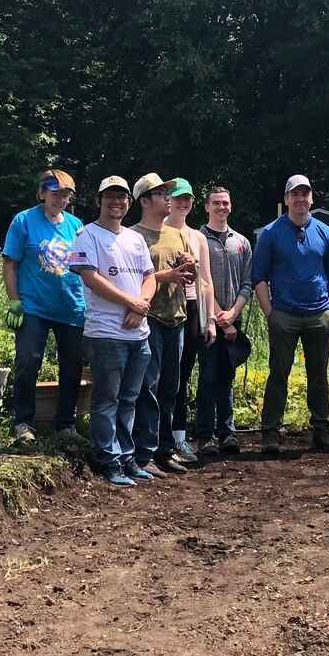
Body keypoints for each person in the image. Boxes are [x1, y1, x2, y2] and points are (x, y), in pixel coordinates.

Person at [69, 177, 156, 485]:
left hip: (138, 334)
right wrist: (130, 302)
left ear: (129, 203)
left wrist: (140, 304)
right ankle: (109, 459)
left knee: (129, 399)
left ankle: (127, 457)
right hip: (105, 333)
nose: (116, 202)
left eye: (121, 197)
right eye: (110, 197)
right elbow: (90, 278)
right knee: (107, 399)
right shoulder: (86, 235)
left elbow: (150, 276)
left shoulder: (135, 239)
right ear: (99, 200)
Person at [251, 174, 329, 454]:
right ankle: (270, 433)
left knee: (319, 374)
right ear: (286, 199)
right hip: (284, 315)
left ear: (311, 199)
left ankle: (322, 430)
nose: (300, 199)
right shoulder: (271, 233)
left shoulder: (324, 232)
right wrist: (270, 313)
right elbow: (258, 277)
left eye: (305, 194)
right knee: (278, 373)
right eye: (295, 194)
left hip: (319, 314)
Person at [0, 169, 86, 442]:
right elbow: (10, 263)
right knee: (28, 361)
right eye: (56, 193)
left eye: (66, 195)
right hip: (34, 306)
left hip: (71, 307)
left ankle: (66, 425)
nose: (61, 199)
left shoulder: (76, 225)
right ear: (42, 193)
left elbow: (83, 267)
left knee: (71, 367)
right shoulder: (24, 221)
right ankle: (23, 423)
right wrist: (14, 302)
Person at [130, 173, 200, 477]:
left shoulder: (177, 234)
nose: (168, 198)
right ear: (145, 201)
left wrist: (190, 268)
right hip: (151, 320)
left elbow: (189, 277)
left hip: (177, 318)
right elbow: (131, 280)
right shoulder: (132, 236)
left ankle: (165, 450)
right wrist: (164, 277)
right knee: (150, 387)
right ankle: (144, 453)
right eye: (161, 194)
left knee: (171, 387)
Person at [195, 185, 253, 456]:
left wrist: (234, 313)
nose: (221, 207)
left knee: (227, 377)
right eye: (216, 203)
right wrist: (220, 317)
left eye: (225, 203)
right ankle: (204, 436)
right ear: (206, 207)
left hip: (234, 319)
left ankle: (227, 432)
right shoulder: (197, 239)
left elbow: (247, 282)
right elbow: (200, 282)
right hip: (207, 320)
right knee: (207, 376)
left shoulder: (241, 242)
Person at [166, 178, 215, 463]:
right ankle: (157, 436)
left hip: (192, 306)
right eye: (178, 198)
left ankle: (179, 437)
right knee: (163, 375)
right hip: (164, 307)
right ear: (168, 201)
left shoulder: (198, 237)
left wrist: (209, 320)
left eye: (188, 199)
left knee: (183, 374)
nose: (183, 203)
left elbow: (206, 281)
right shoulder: (158, 231)